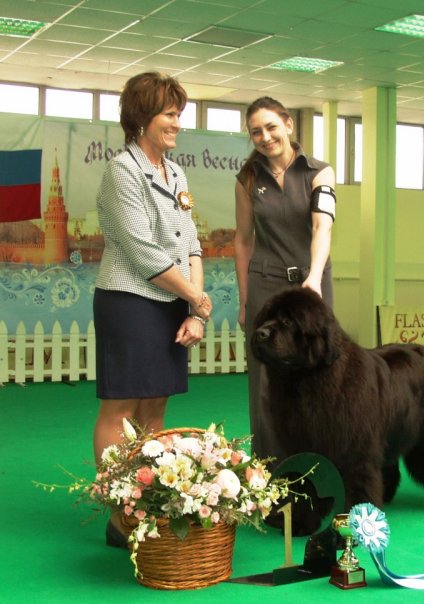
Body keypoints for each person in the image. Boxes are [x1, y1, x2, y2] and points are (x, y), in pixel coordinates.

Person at [93, 71, 211, 546]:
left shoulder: (177, 172)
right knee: (119, 408)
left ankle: (149, 503)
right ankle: (119, 516)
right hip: (129, 301)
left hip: (174, 300)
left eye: (179, 114)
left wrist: (197, 311)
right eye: (169, 113)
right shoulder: (122, 170)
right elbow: (144, 252)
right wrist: (196, 297)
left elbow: (193, 244)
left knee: (155, 407)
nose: (177, 123)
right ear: (141, 118)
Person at [234, 96, 335, 463]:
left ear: (289, 125)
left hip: (310, 288)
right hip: (265, 286)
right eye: (255, 132)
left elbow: (322, 226)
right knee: (264, 382)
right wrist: (246, 301)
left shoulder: (319, 172)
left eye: (271, 127)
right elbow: (243, 240)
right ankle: (268, 471)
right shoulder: (248, 178)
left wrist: (314, 278)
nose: (265, 137)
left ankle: (316, 466)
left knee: (317, 373)